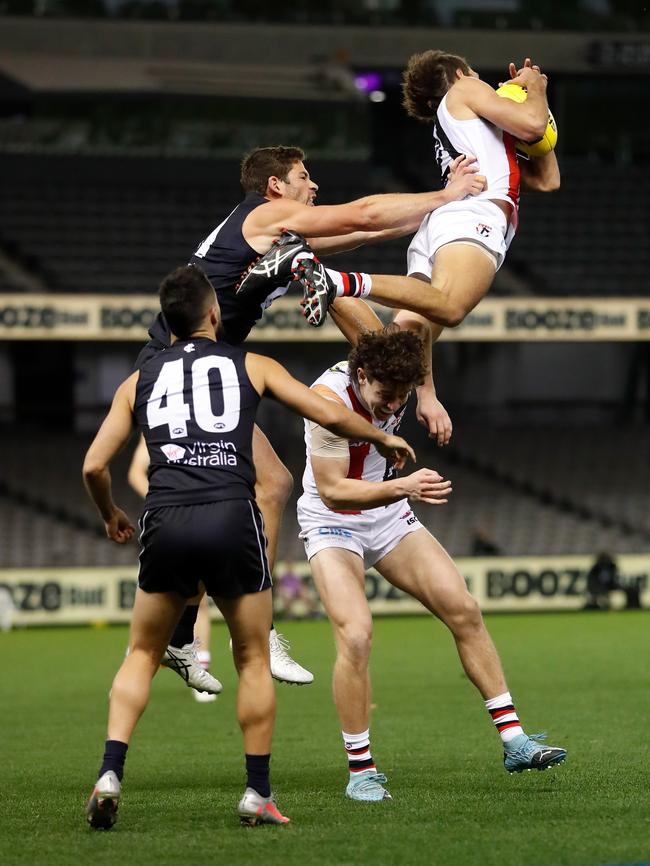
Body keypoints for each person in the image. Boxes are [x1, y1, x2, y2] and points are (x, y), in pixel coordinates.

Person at [82, 264, 415, 829]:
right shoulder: (250, 363)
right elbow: (325, 411)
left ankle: (111, 771)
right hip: (231, 517)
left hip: (164, 518)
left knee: (142, 653)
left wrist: (112, 513)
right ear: (215, 314)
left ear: (166, 323)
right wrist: (380, 434)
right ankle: (256, 793)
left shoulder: (135, 383)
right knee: (254, 657)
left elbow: (93, 465)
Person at [140, 145, 484, 680]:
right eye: (304, 177)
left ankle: (187, 636)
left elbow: (364, 234)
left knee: (268, 487)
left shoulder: (277, 238)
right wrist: (446, 193)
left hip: (201, 366)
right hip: (185, 367)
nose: (315, 185)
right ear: (276, 186)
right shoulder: (266, 215)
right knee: (251, 493)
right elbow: (363, 214)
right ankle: (252, 632)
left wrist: (437, 213)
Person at [296, 326, 567, 802]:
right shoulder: (328, 402)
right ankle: (361, 771)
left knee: (463, 609)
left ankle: (514, 742)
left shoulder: (394, 381)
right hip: (333, 520)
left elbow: (417, 328)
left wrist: (428, 397)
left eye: (402, 396)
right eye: (385, 395)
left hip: (386, 514)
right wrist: (404, 486)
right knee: (356, 635)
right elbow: (335, 489)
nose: (392, 406)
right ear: (361, 376)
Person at [292, 54, 560, 340]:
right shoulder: (466, 88)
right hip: (472, 217)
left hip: (447, 222)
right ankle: (336, 281)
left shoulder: (471, 130)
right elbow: (532, 125)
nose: (482, 81)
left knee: (407, 347)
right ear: (460, 74)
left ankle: (371, 368)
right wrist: (535, 87)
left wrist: (527, 107)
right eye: (474, 72)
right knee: (452, 306)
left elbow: (546, 181)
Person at [128, 434, 221, 702]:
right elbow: (136, 472)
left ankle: (198, 669)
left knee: (199, 601)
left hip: (201, 520)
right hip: (169, 521)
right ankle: (134, 670)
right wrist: (164, 500)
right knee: (152, 601)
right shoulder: (158, 426)